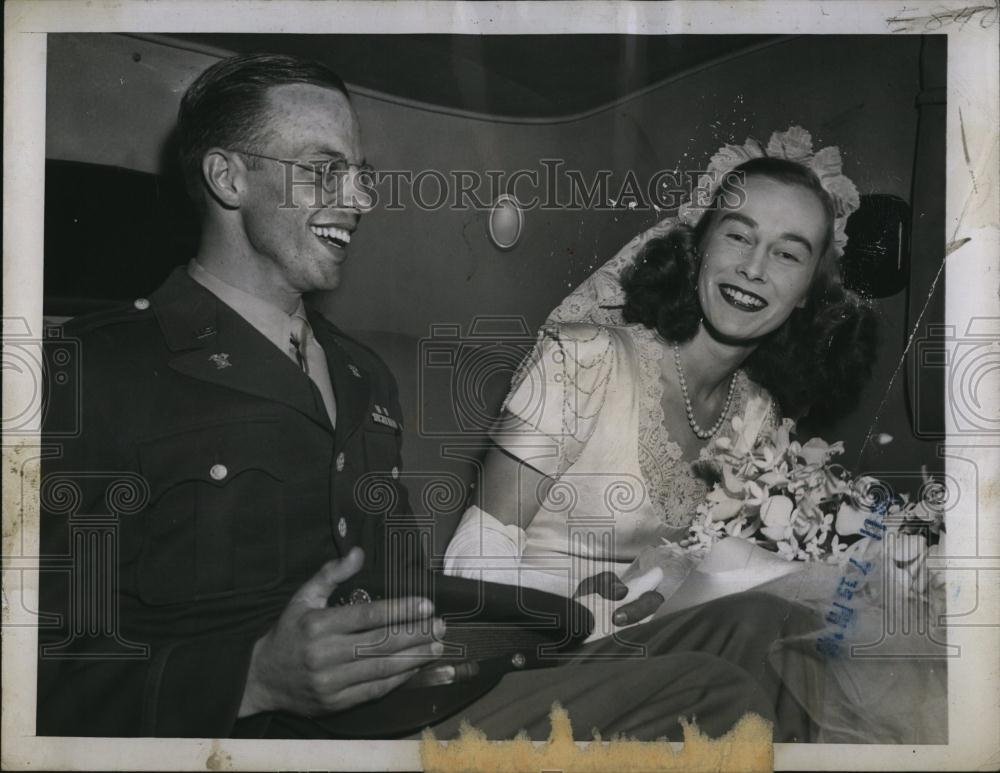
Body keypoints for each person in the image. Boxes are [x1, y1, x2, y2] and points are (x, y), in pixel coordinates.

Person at [36, 53, 802, 741]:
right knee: (717, 695)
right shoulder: (95, 370)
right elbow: (31, 671)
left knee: (754, 630)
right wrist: (251, 676)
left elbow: (401, 588)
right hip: (276, 737)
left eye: (360, 172)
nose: (360, 199)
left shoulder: (363, 374)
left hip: (414, 694)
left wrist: (563, 618)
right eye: (324, 171)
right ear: (228, 177)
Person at [444, 133, 878, 635]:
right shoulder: (584, 360)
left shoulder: (759, 423)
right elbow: (474, 556)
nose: (754, 268)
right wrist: (566, 620)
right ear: (700, 247)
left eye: (787, 255)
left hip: (649, 653)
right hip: (524, 638)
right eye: (738, 236)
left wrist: (678, 582)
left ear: (806, 293)